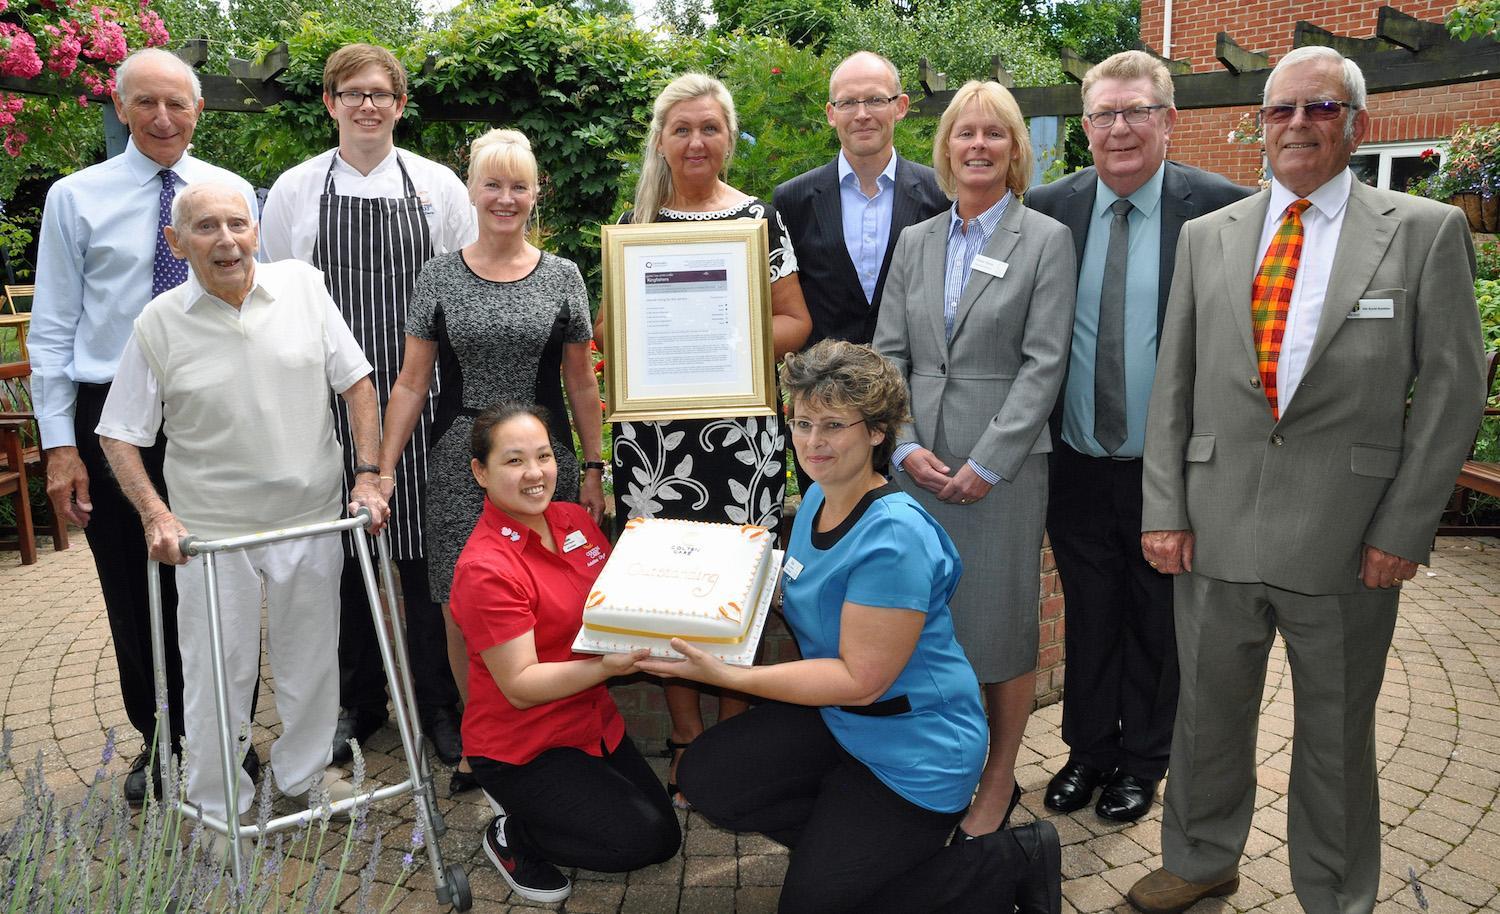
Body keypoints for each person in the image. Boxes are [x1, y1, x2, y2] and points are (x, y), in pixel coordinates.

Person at [1129, 46, 1486, 914]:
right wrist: (1165, 507)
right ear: (1260, 124)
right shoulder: (1209, 238)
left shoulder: (1421, 231)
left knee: (1334, 735)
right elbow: (1172, 382)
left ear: (1354, 125)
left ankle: (1334, 892)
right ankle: (1202, 856)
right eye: (1281, 109)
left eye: (1319, 109)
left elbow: (1451, 390)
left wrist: (1403, 529)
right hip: (1213, 528)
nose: (1298, 124)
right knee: (1208, 718)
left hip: (1347, 535)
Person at [638, 340, 1060, 914]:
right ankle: (848, 849)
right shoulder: (817, 498)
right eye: (803, 423)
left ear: (877, 432)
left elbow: (861, 680)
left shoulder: (893, 539)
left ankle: (1008, 861)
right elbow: (794, 590)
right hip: (843, 727)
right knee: (710, 775)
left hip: (914, 752)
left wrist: (724, 672)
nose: (813, 442)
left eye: (834, 425)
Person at [95, 183, 390, 860]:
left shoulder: (304, 289)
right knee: (214, 673)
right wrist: (156, 514)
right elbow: (119, 434)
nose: (226, 240)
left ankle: (308, 773)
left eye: (237, 224)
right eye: (206, 228)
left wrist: (370, 473)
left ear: (256, 231)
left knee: (311, 659)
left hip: (311, 517)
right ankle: (216, 805)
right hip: (213, 533)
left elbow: (358, 383)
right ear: (178, 243)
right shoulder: (158, 323)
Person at [29, 47, 260, 805]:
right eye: (147, 104)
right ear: (121, 109)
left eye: (179, 104)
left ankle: (227, 733)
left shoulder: (225, 193)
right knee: (133, 581)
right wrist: (60, 444)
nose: (164, 118)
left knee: (219, 572)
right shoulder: (75, 196)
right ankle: (159, 737)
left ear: (198, 111)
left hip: (207, 404)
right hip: (109, 416)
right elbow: (54, 326)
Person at [1025, 50, 1250, 823]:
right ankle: (1088, 751)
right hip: (1078, 460)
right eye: (1104, 114)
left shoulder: (1224, 210)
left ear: (1169, 120)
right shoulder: (1049, 210)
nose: (1119, 129)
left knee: (1158, 621)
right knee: (1089, 611)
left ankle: (1143, 761)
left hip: (1171, 468)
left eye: (1136, 112)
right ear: (1084, 126)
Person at [598, 72, 812, 808]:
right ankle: (688, 737)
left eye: (710, 128)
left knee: (733, 589)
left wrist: (727, 334)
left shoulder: (758, 221)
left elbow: (795, 322)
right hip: (655, 443)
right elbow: (608, 336)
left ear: (728, 137)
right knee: (667, 589)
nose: (696, 141)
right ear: (662, 137)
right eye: (682, 128)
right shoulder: (636, 223)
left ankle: (733, 743)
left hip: (739, 437)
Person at [260, 43, 475, 768]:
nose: (367, 106)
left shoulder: (439, 187)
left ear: (400, 105)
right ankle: (360, 701)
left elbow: (466, 287)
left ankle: (438, 704)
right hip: (329, 405)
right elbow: (278, 300)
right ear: (330, 103)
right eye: (352, 93)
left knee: (422, 563)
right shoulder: (294, 190)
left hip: (423, 397)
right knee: (346, 560)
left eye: (381, 93)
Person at [872, 80, 1075, 839]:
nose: (979, 146)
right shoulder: (917, 241)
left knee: (1000, 627)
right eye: (966, 133)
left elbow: (1045, 363)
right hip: (918, 468)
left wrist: (988, 460)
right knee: (923, 624)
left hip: (1005, 471)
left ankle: (999, 779)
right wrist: (906, 445)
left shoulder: (1046, 240)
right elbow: (887, 355)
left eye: (995, 134)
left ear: (1015, 149)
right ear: (946, 147)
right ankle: (932, 767)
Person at [381, 128, 604, 795]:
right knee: (459, 606)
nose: (505, 198)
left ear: (537, 193)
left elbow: (582, 384)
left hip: (544, 462)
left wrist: (594, 468)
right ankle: (484, 739)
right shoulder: (438, 274)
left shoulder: (564, 277)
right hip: (459, 464)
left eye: (519, 185)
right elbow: (411, 383)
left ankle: (550, 724)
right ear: (472, 190)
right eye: (492, 184)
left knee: (550, 596)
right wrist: (381, 469)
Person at [449, 402, 680, 905]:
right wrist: (607, 666)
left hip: (591, 722)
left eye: (544, 456)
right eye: (513, 461)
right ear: (480, 473)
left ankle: (544, 815)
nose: (535, 474)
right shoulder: (486, 567)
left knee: (665, 834)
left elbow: (618, 600)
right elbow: (522, 685)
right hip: (522, 747)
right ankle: (513, 836)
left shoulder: (574, 519)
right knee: (644, 840)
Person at [773, 51, 948, 350]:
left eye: (876, 100)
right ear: (831, 113)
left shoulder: (942, 194)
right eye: (848, 103)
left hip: (914, 385)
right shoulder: (792, 200)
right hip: (823, 387)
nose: (862, 114)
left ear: (900, 106)